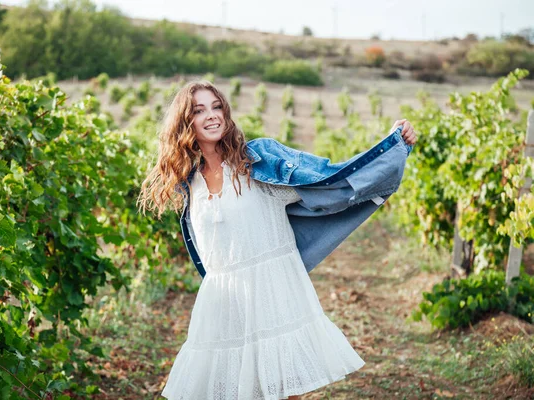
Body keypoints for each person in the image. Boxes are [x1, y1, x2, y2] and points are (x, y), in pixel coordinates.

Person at [138, 81, 417, 400]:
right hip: (223, 302)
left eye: (217, 107)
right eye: (200, 110)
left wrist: (390, 145)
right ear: (186, 123)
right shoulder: (190, 185)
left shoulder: (256, 163)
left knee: (283, 389)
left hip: (272, 291)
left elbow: (329, 179)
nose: (212, 115)